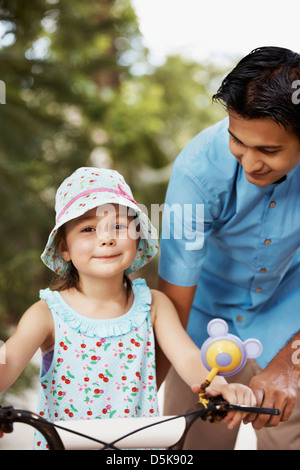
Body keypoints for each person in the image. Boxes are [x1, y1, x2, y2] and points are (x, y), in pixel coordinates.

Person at [0, 167, 256, 449]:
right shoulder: (46, 313)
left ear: (137, 236)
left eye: (119, 226)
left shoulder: (155, 305)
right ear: (64, 248)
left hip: (137, 449)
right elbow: (8, 363)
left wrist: (219, 385)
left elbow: (188, 358)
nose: (106, 238)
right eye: (88, 229)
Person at [158, 46, 300, 450]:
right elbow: (174, 299)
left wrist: (290, 365)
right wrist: (138, 399)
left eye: (269, 151)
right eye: (238, 141)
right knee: (184, 448)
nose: (249, 163)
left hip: (290, 321)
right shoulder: (195, 172)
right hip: (200, 329)